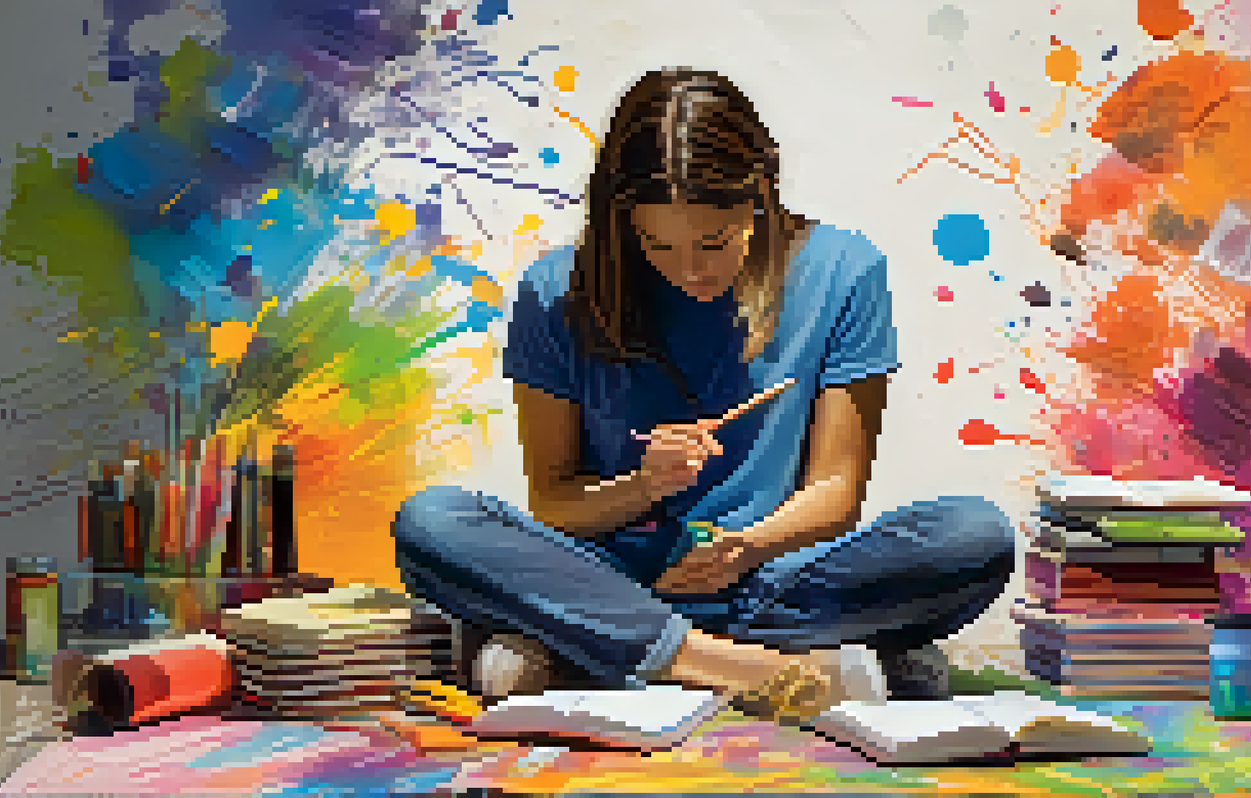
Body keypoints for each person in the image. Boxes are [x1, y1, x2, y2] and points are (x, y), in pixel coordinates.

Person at [393, 68, 1015, 724]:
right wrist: (642, 487)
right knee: (433, 522)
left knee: (973, 536)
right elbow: (553, 504)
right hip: (611, 574)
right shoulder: (554, 293)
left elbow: (836, 489)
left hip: (768, 578)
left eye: (714, 242)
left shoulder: (845, 271)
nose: (690, 270)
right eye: (656, 244)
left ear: (760, 196)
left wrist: (745, 549)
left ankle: (588, 651)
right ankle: (749, 669)